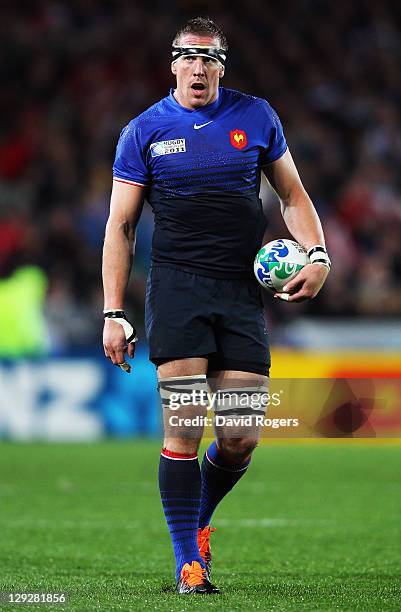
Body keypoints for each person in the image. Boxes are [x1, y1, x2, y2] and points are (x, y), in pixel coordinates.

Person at [102, 16, 330, 595]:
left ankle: (198, 520)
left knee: (239, 438)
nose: (198, 66)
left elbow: (293, 197)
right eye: (188, 55)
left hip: (240, 292)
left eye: (210, 58)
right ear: (172, 62)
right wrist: (112, 310)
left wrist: (319, 255)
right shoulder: (144, 131)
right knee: (183, 429)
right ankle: (188, 563)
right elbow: (121, 226)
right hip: (177, 289)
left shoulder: (256, 116)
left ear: (222, 66)